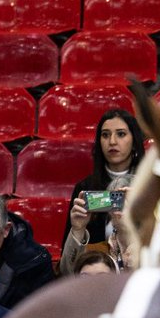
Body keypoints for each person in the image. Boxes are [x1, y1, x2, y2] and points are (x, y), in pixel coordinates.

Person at [60, 109, 145, 276]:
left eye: (121, 134)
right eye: (105, 135)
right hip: (95, 280)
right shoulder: (85, 187)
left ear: (134, 140)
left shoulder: (150, 186)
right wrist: (78, 230)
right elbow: (68, 272)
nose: (112, 141)